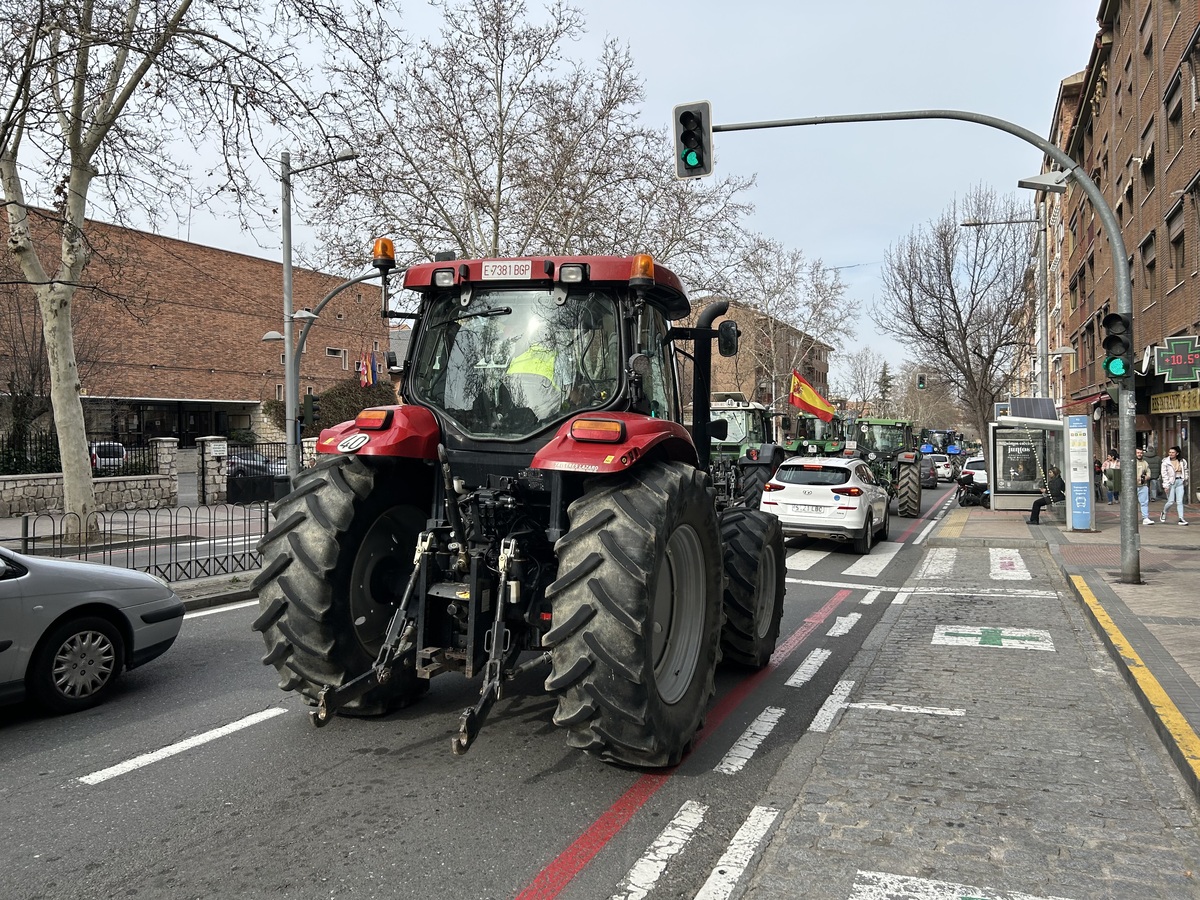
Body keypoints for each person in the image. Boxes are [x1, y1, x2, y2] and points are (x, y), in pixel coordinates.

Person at [1159, 446, 1190, 525]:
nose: (1171, 454)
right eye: (1170, 452)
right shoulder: (1165, 462)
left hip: (1180, 481)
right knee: (1171, 501)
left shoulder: (1182, 461)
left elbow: (1186, 470)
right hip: (1171, 482)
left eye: (1173, 452)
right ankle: (1164, 512)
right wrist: (1166, 485)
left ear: (1177, 453)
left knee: (1180, 501)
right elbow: (1164, 474)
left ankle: (1181, 518)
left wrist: (1185, 478)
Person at [1135, 447, 1153, 525]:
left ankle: (1145, 518)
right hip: (1132, 487)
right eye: (1138, 453)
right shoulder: (1131, 462)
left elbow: (1149, 473)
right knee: (1131, 503)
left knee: (1144, 502)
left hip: (1143, 485)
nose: (1140, 454)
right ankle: (1131, 519)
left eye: (1141, 453)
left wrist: (1146, 477)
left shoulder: (1145, 463)